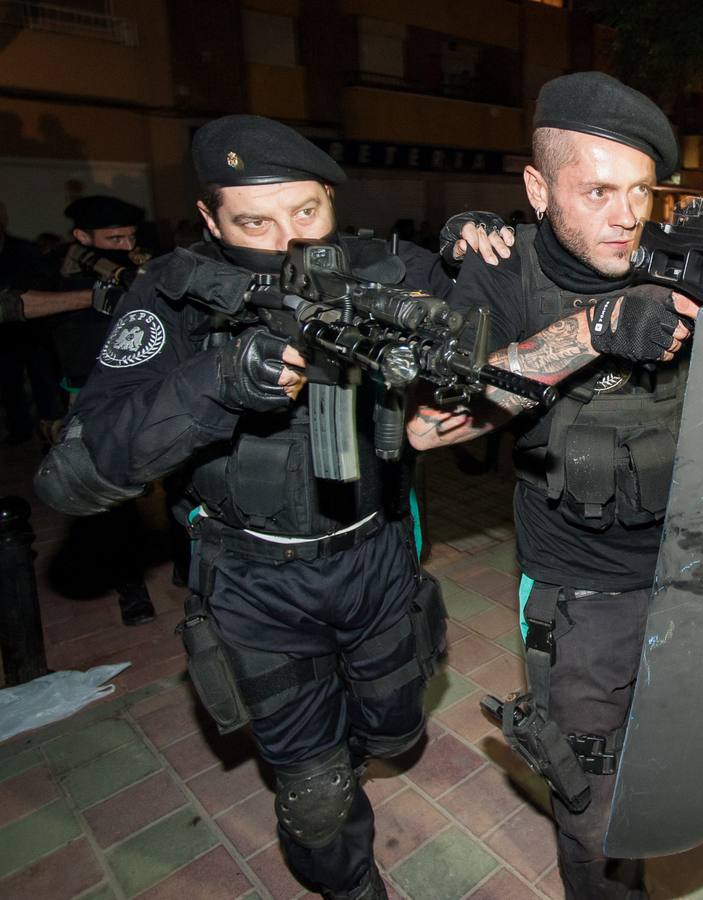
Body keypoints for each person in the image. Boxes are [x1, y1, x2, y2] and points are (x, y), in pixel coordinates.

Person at [34, 114, 511, 900]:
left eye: (306, 212)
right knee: (315, 791)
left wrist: (474, 244)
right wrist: (216, 382)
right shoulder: (175, 295)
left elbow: (499, 320)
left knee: (396, 725)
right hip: (253, 581)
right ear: (209, 218)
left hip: (376, 553)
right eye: (254, 222)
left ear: (330, 198)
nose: (289, 241)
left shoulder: (380, 267)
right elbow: (69, 478)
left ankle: (345, 749)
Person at [407, 71, 699, 899]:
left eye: (641, 191)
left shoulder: (680, 262)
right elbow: (429, 424)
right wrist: (594, 330)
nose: (627, 215)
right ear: (538, 189)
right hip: (582, 587)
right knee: (592, 803)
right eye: (598, 190)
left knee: (667, 763)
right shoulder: (505, 272)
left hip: (694, 566)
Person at [47, 195, 157, 625]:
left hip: (148, 387)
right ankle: (131, 589)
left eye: (130, 236)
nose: (126, 245)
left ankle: (188, 571)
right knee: (111, 495)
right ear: (81, 236)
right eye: (114, 239)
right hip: (94, 395)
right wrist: (92, 297)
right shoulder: (60, 271)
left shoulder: (140, 263)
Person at [0, 200, 67, 444]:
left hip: (32, 328)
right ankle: (20, 430)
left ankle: (52, 430)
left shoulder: (24, 250)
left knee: (43, 379)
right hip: (5, 331)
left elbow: (43, 283)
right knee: (10, 382)